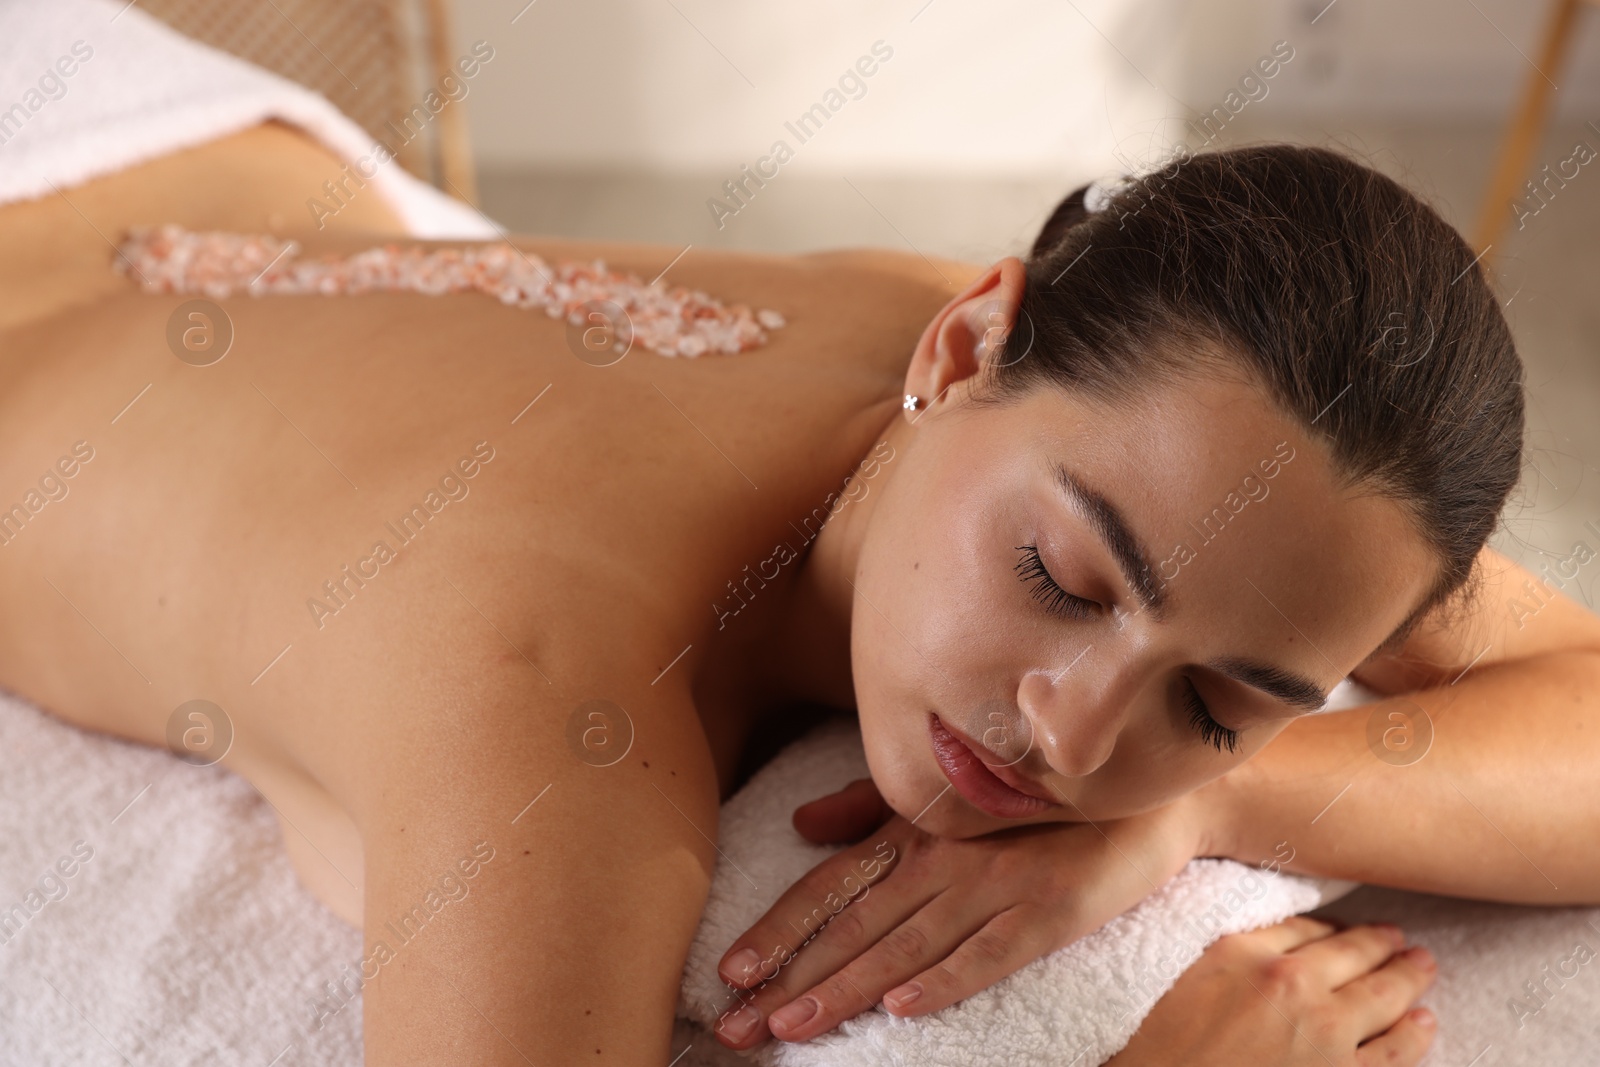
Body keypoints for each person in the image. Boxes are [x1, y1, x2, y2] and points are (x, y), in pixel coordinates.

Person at [1, 124, 1595, 1067]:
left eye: (1212, 702)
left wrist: (1202, 814)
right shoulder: (554, 696)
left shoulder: (1175, 446)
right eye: (1064, 579)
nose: (1073, 735)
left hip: (213, 197)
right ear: (961, 349)